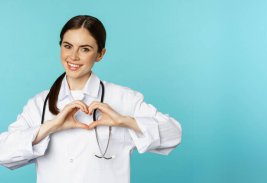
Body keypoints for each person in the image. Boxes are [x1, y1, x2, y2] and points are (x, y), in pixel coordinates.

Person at [0, 15, 182, 183]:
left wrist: (124, 121)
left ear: (100, 54)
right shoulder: (40, 103)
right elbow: (3, 153)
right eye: (67, 46)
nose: (73, 56)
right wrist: (52, 126)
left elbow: (173, 134)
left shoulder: (123, 99)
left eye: (85, 49)